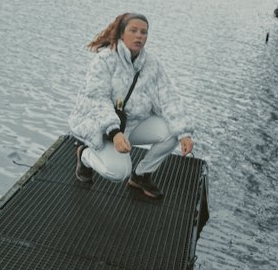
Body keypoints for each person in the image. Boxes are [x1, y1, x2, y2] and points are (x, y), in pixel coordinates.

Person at [68, 11, 194, 201]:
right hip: (101, 126)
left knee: (172, 133)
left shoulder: (151, 64)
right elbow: (97, 99)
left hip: (132, 124)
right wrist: (114, 132)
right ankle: (84, 155)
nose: (139, 36)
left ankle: (141, 176)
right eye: (133, 30)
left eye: (144, 32)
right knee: (118, 173)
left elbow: (169, 97)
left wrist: (184, 133)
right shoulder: (104, 60)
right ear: (121, 33)